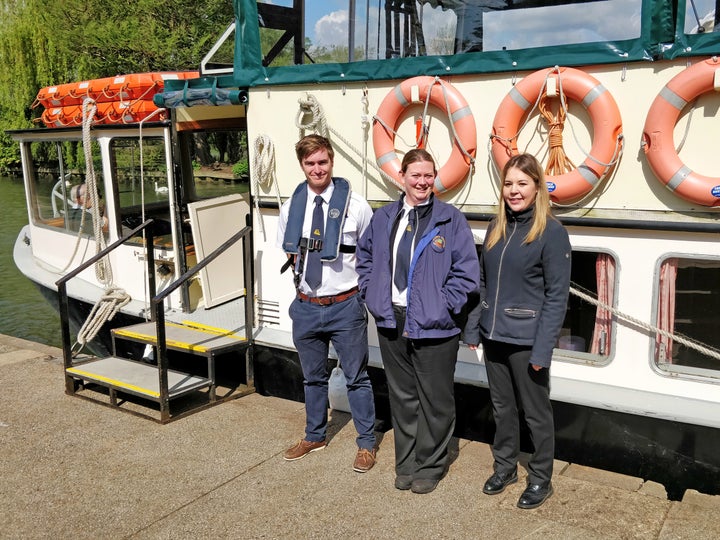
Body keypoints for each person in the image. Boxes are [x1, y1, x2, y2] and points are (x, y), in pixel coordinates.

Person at [356, 149, 479, 494]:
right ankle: (406, 462)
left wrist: (442, 306)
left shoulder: (450, 220)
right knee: (403, 397)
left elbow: (467, 274)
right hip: (392, 321)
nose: (422, 182)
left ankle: (429, 465)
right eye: (416, 175)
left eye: (428, 176)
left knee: (436, 401)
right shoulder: (384, 218)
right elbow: (365, 259)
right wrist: (371, 292)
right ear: (403, 177)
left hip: (435, 324)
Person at [464, 153, 571, 509]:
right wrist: (473, 328)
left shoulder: (551, 233)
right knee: (501, 408)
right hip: (494, 337)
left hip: (527, 341)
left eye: (522, 183)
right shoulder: (497, 227)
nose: (514, 191)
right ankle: (505, 467)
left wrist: (543, 351)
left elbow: (557, 297)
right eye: (509, 183)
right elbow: (482, 282)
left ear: (537, 187)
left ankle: (541, 478)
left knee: (536, 413)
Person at [277, 134, 377, 472]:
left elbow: (370, 256)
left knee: (357, 377)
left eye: (322, 162)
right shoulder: (291, 208)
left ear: (331, 161)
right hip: (306, 305)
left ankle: (366, 443)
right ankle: (314, 434)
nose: (317, 169)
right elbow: (290, 254)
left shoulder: (357, 207)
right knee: (312, 377)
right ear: (303, 166)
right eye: (310, 163)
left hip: (345, 306)